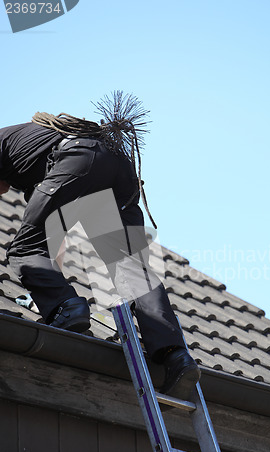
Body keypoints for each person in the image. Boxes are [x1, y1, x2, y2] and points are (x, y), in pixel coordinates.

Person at [0, 92, 200, 400]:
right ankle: (175, 355)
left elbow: (40, 237)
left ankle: (67, 307)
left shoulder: (6, 144)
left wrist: (57, 298)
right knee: (131, 268)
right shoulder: (27, 153)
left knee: (24, 249)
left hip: (79, 160)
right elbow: (56, 231)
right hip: (118, 168)